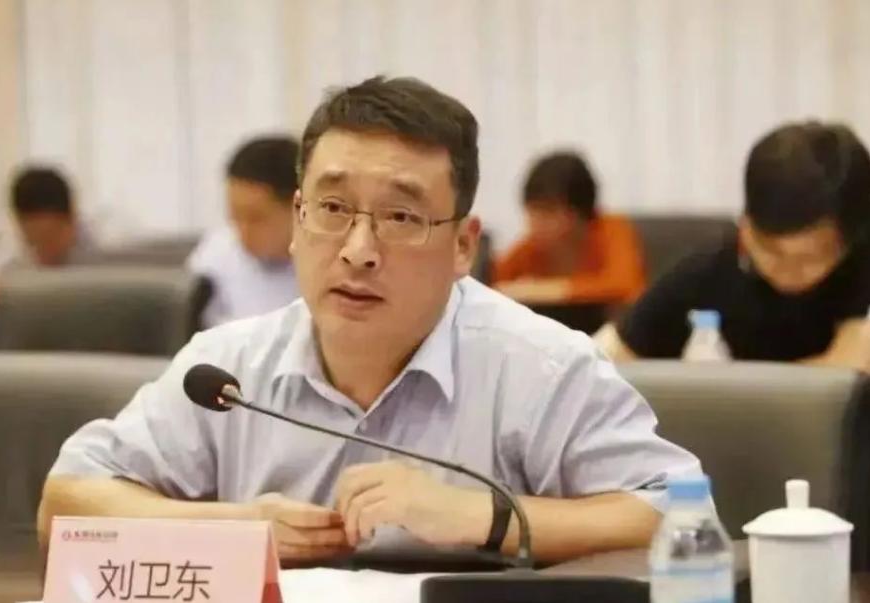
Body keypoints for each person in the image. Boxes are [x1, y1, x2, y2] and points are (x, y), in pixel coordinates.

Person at [38, 76, 700, 566]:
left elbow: (678, 514)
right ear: (298, 220)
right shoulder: (228, 370)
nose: (358, 250)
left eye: (401, 216)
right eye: (332, 208)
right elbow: (67, 503)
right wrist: (237, 528)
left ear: (463, 246)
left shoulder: (540, 365)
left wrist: (482, 514)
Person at [596, 120, 870, 370]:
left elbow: (851, 367)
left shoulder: (860, 268)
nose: (786, 270)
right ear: (745, 223)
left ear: (851, 241)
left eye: (808, 259)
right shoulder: (706, 273)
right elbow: (608, 355)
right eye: (769, 250)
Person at [493, 151, 645, 305]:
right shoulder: (532, 246)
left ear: (578, 212)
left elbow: (625, 286)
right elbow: (490, 280)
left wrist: (546, 290)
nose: (535, 222)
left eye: (548, 211)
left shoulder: (612, 229)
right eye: (531, 211)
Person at [187, 137, 300, 327]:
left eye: (256, 218)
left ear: (298, 208)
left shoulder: (329, 264)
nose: (242, 232)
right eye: (235, 216)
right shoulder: (214, 257)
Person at [0, 166, 96, 313]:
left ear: (73, 218)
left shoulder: (102, 242)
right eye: (35, 241)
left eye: (51, 236)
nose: (46, 248)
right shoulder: (11, 247)